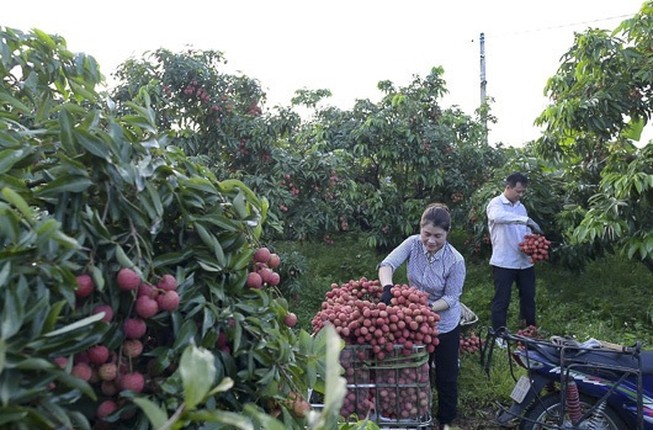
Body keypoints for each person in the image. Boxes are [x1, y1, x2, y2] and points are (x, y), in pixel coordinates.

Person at [378, 203, 466, 430]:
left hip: (444, 323)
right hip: (416, 323)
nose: (431, 240)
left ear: (447, 233)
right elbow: (387, 264)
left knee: (446, 376)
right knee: (416, 372)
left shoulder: (455, 260)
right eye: (427, 234)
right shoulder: (412, 244)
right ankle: (417, 415)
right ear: (420, 229)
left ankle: (445, 420)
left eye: (438, 236)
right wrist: (387, 288)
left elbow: (452, 298)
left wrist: (425, 308)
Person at [486, 172, 542, 343]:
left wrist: (533, 243)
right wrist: (526, 221)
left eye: (522, 192)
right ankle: (499, 335)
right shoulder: (495, 204)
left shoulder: (520, 206)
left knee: (528, 297)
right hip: (504, 262)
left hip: (524, 262)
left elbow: (524, 231)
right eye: (518, 191)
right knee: (502, 299)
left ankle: (529, 331)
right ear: (508, 187)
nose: (520, 195)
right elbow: (498, 217)